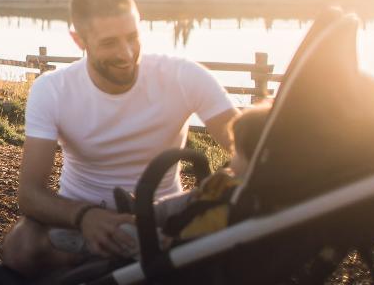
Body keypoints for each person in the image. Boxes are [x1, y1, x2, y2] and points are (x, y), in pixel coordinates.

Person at [0, 0, 238, 277]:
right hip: (80, 215)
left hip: (158, 215)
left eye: (133, 37)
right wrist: (84, 216)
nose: (126, 54)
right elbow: (30, 193)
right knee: (19, 247)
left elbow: (245, 146)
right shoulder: (52, 89)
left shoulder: (183, 76)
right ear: (79, 40)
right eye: (109, 43)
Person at [47, 103, 270, 255]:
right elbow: (193, 202)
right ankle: (144, 212)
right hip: (187, 217)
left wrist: (172, 243)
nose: (232, 157)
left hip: (180, 249)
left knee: (126, 236)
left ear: (256, 159)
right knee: (188, 199)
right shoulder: (230, 183)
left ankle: (85, 244)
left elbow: (211, 235)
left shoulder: (243, 202)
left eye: (236, 153)